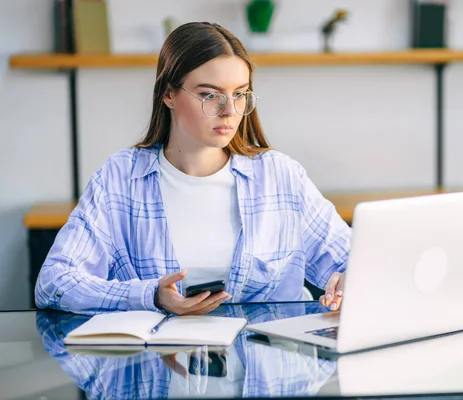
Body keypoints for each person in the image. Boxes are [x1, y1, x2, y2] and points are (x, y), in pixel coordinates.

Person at [34, 22, 351, 316]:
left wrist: (351, 279)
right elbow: (54, 282)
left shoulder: (280, 177)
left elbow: (355, 261)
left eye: (239, 94)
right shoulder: (119, 179)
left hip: (271, 372)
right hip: (157, 368)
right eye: (209, 95)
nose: (229, 111)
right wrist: (151, 296)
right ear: (169, 94)